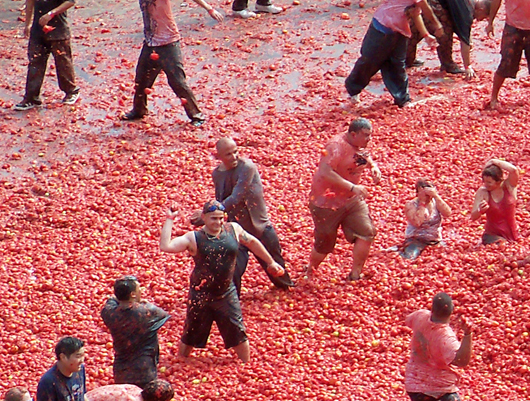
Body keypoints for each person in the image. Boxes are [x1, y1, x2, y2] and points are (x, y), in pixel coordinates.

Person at [161, 203, 282, 368]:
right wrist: (169, 219)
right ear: (203, 218)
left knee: (237, 331)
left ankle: (246, 366)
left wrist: (270, 262)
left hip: (226, 291)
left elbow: (253, 242)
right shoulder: (194, 238)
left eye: (220, 218)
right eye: (213, 219)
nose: (218, 222)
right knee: (191, 331)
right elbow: (166, 246)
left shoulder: (233, 230)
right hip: (201, 293)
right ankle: (180, 362)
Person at [119, 0, 219, 123]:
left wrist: (209, 8)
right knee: (142, 79)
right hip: (150, 43)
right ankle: (139, 111)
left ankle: (196, 115)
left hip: (168, 43)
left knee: (177, 81)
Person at [344, 0, 439, 109]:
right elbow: (425, 9)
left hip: (399, 30)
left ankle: (403, 99)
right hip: (384, 26)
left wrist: (426, 35)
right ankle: (353, 88)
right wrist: (437, 25)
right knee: (370, 60)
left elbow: (416, 14)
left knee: (397, 64)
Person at [213, 138, 293, 290]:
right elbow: (220, 198)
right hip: (238, 230)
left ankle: (286, 289)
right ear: (219, 156)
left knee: (277, 269)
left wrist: (213, 210)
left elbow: (237, 196)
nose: (234, 156)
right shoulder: (217, 174)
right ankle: (232, 299)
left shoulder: (247, 167)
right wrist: (211, 217)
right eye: (228, 154)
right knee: (233, 268)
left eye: (236, 151)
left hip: (259, 226)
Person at [307, 119, 381, 282]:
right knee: (324, 245)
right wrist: (352, 187)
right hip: (326, 203)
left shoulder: (360, 145)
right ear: (353, 134)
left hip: (351, 199)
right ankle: (310, 270)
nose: (369, 139)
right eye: (365, 135)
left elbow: (363, 156)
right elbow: (325, 171)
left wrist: (373, 167)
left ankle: (355, 275)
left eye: (370, 135)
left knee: (367, 232)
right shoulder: (335, 146)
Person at [404, 292, 472, 401]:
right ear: (451, 311)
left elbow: (408, 320)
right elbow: (462, 360)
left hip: (414, 389)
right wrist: (467, 335)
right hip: (439, 392)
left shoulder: (421, 316)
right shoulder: (445, 337)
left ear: (432, 308)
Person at [13, 0, 77, 111]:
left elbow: (70, 0)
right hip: (38, 29)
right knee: (35, 61)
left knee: (62, 61)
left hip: (57, 28)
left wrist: (52, 13)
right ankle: (31, 97)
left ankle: (71, 91)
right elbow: (30, 1)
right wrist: (27, 23)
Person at [408, 0, 482, 77]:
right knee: (443, 29)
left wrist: (468, 39)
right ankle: (447, 64)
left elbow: (463, 29)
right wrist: (468, 66)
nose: (479, 20)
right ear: (481, 9)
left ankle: (406, 58)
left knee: (418, 27)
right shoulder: (468, 9)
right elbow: (464, 38)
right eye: (484, 17)